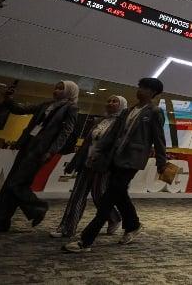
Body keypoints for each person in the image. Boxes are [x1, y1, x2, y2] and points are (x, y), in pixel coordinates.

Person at [63, 78, 167, 253]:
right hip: (115, 158)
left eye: (144, 88)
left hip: (132, 161)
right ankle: (133, 225)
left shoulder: (155, 112)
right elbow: (112, 134)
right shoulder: (128, 111)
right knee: (119, 194)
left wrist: (161, 163)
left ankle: (85, 240)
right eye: (139, 86)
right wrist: (99, 152)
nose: (139, 90)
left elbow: (159, 139)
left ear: (152, 92)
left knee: (108, 198)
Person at [0, 80, 79, 232]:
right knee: (10, 184)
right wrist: (9, 99)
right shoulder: (46, 104)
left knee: (16, 183)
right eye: (56, 87)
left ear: (69, 91)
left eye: (60, 88)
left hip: (41, 150)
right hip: (27, 145)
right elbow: (21, 109)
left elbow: (66, 132)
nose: (56, 90)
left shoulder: (71, 108)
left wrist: (51, 151)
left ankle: (38, 208)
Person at [51, 94, 129, 238]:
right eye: (109, 100)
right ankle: (67, 228)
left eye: (115, 102)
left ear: (122, 106)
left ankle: (114, 218)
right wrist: (76, 161)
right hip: (86, 162)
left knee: (99, 195)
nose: (110, 103)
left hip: (103, 165)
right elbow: (87, 143)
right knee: (77, 195)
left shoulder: (123, 124)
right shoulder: (99, 121)